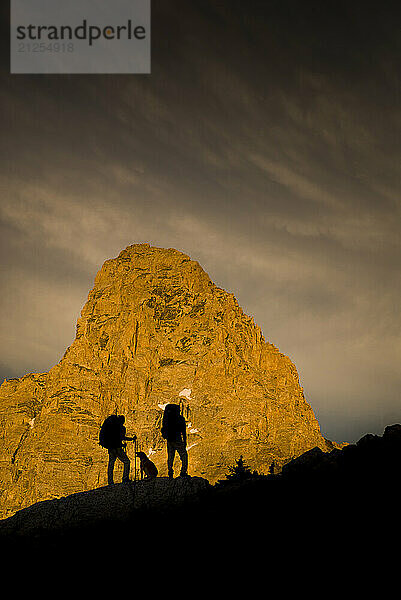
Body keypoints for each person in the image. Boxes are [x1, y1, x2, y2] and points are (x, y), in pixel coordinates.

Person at [99, 414, 136, 484]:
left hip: (110, 447)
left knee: (111, 463)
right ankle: (125, 479)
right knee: (127, 461)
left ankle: (110, 481)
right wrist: (131, 439)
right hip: (117, 447)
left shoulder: (111, 426)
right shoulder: (121, 428)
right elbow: (122, 438)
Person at [161, 403, 189, 478]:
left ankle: (170, 472)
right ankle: (183, 472)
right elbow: (183, 432)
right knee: (184, 455)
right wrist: (185, 441)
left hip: (169, 440)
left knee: (170, 456)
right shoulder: (180, 419)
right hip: (178, 439)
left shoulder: (167, 419)